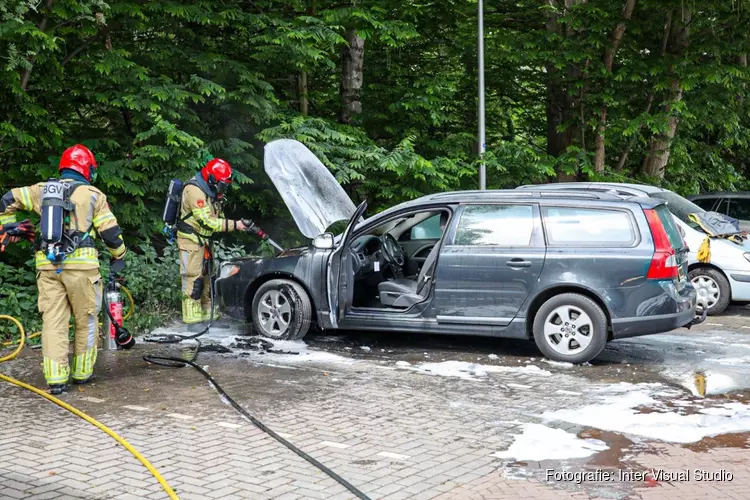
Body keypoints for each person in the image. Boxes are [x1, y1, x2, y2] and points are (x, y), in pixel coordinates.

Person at [0, 144, 127, 394]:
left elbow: (6, 200)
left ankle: (56, 379)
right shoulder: (93, 195)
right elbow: (110, 234)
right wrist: (119, 256)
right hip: (83, 270)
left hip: (47, 266)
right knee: (86, 320)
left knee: (53, 320)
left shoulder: (41, 190)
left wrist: (8, 228)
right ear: (87, 169)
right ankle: (81, 373)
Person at [176, 159, 248, 329]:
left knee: (208, 278)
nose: (223, 188)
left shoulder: (210, 190)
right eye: (222, 184)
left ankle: (209, 317)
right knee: (193, 279)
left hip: (205, 241)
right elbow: (207, 221)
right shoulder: (194, 190)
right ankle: (192, 323)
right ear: (212, 179)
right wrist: (235, 225)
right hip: (191, 241)